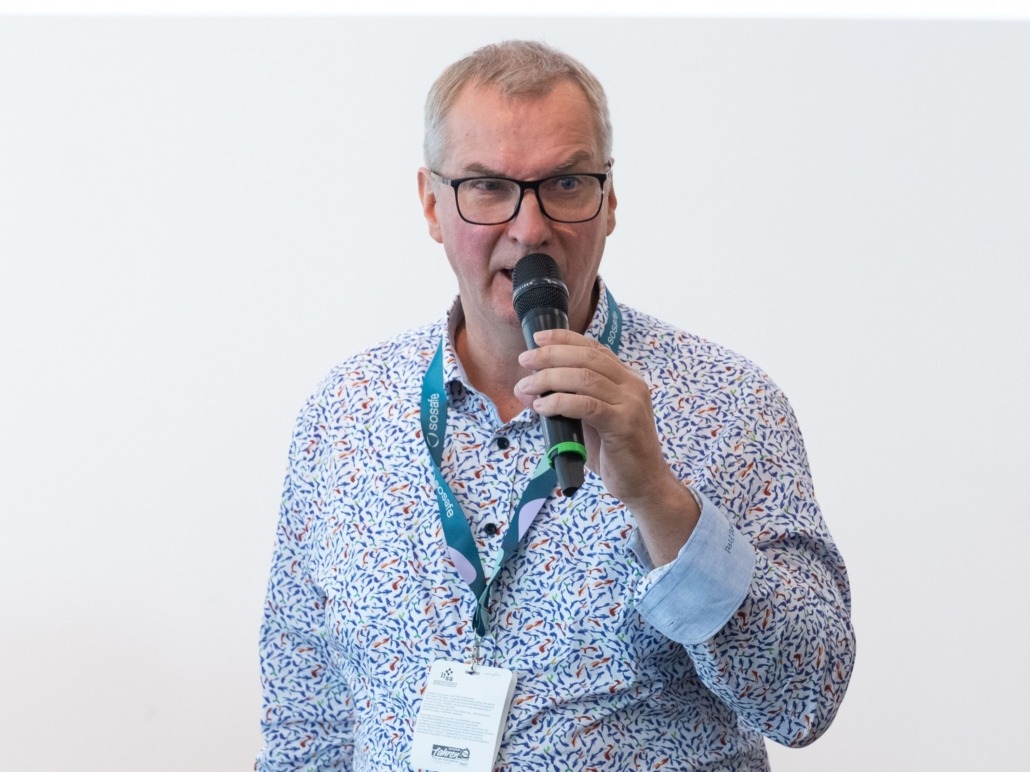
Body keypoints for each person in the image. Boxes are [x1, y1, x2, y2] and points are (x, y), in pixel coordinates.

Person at [257, 40, 855, 771]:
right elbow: (305, 727)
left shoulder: (731, 405)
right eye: (487, 186)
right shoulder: (344, 416)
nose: (531, 227)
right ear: (431, 204)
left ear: (610, 200)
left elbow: (805, 699)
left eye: (566, 183)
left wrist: (661, 502)